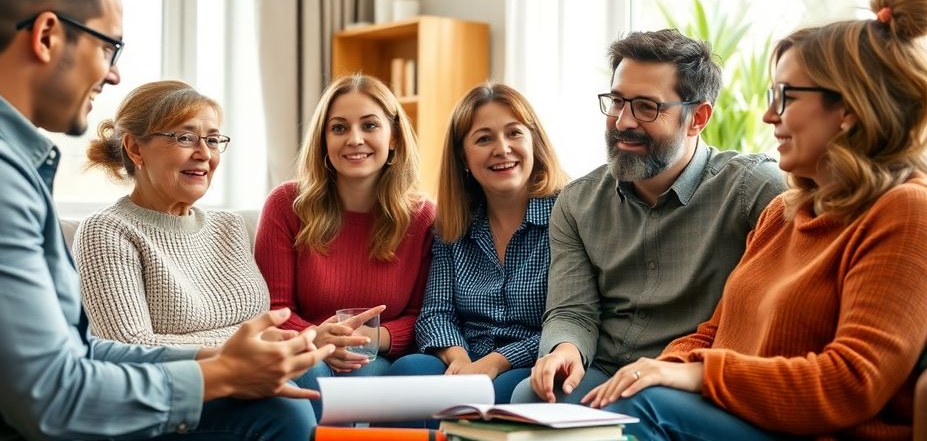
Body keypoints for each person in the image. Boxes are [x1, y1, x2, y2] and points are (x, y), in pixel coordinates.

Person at [0, 0, 333, 439]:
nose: (113, 73)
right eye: (109, 46)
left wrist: (215, 356)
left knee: (278, 405)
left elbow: (77, 352)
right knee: (273, 414)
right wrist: (219, 375)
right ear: (46, 36)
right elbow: (53, 397)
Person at [585, 0, 927, 440]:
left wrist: (701, 375)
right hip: (743, 418)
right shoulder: (784, 211)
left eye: (785, 97)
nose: (769, 116)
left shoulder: (906, 211)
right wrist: (658, 368)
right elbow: (713, 331)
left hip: (814, 431)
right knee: (618, 400)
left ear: (847, 109)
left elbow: (853, 381)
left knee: (641, 408)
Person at [511, 29, 787, 405]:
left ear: (698, 118)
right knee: (531, 396)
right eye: (617, 101)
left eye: (646, 107)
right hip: (605, 370)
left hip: (687, 378)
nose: (623, 121)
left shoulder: (753, 190)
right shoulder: (577, 202)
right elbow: (572, 310)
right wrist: (564, 352)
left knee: (637, 404)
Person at [255, 73, 435, 417]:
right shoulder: (286, 204)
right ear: (323, 140)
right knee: (312, 372)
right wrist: (316, 338)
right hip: (306, 353)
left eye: (370, 126)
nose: (355, 140)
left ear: (393, 136)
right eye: (339, 128)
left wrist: (371, 339)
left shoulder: (423, 216)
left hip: (377, 358)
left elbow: (423, 315)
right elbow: (273, 309)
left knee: (400, 372)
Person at [384, 82, 567, 407]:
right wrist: (460, 360)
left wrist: (496, 362)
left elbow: (568, 320)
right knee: (408, 371)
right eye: (484, 139)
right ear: (463, 157)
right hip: (466, 355)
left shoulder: (566, 216)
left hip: (531, 360)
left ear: (534, 142)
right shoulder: (451, 225)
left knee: (497, 391)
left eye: (514, 133)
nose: (502, 148)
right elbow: (435, 314)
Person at [74, 80, 269, 347]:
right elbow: (129, 345)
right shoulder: (106, 231)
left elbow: (266, 325)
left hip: (265, 373)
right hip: (188, 386)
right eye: (185, 138)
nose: (204, 154)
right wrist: (252, 344)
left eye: (212, 140)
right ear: (135, 148)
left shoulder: (229, 226)